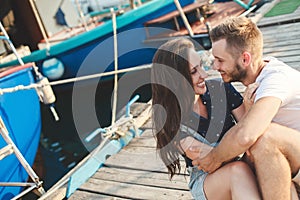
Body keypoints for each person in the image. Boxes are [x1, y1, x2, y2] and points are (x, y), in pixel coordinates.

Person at [191, 16, 300, 200]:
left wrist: (214, 158)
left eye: (220, 60)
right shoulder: (258, 80)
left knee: (263, 137)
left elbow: (246, 135)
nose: (215, 67)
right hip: (291, 160)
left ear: (245, 58)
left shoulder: (276, 80)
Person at [151, 38, 261, 199]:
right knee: (238, 171)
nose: (204, 74)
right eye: (194, 72)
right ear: (176, 80)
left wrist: (250, 109)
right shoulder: (171, 120)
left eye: (201, 66)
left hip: (240, 161)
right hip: (207, 181)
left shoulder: (221, 89)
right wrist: (240, 139)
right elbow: (210, 161)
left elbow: (252, 134)